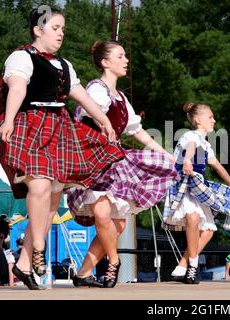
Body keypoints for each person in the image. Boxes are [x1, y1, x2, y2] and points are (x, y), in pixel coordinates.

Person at [0, 7, 124, 290]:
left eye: (62, 28)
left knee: (52, 198)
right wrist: (10, 119)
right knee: (39, 187)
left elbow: (79, 94)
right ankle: (38, 246)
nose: (61, 33)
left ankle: (25, 263)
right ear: (38, 30)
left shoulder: (64, 64)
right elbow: (17, 88)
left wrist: (103, 120)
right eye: (55, 28)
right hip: (30, 124)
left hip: (59, 127)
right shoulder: (22, 57)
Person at [64, 40, 178, 288]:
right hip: (91, 159)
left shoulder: (121, 97)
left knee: (118, 222)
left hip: (113, 161)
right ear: (105, 62)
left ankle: (83, 274)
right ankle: (114, 261)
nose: (126, 60)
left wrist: (165, 154)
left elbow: (138, 132)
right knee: (103, 211)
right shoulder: (95, 90)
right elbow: (86, 117)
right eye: (120, 55)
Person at [163, 102, 230, 284]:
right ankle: (193, 268)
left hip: (199, 188)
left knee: (208, 231)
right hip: (185, 187)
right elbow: (190, 146)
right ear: (198, 120)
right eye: (210, 117)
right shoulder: (190, 135)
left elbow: (217, 166)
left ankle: (182, 267)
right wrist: (188, 160)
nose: (214, 120)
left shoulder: (205, 143)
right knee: (193, 218)